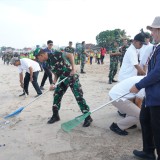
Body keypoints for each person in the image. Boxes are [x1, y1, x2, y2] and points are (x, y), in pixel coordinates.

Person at [35, 48, 93, 127]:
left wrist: (73, 68)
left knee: (78, 96)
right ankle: (55, 116)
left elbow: (70, 55)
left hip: (72, 77)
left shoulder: (56, 53)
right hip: (63, 79)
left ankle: (88, 117)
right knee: (56, 95)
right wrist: (53, 83)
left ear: (41, 55)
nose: (39, 60)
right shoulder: (47, 63)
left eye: (38, 58)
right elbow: (56, 74)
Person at [130, 16, 160, 160]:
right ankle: (148, 151)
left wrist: (139, 85)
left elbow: (157, 73)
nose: (151, 34)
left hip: (158, 97)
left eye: (153, 30)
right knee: (145, 119)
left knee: (158, 129)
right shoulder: (157, 47)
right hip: (152, 94)